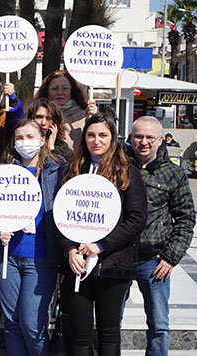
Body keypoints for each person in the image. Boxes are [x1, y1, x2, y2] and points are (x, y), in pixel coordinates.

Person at [57, 113, 147, 356]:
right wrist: (69, 249)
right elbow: (59, 216)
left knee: (108, 332)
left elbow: (136, 219)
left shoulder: (127, 172)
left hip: (112, 265)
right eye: (91, 135)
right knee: (79, 332)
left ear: (113, 138)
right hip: (78, 266)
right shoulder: (72, 170)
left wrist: (101, 244)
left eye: (103, 135)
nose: (97, 140)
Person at [0, 119, 65, 356]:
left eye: (31, 137)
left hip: (41, 258)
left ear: (43, 140)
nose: (24, 142)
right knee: (11, 323)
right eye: (20, 138)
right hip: (7, 257)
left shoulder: (57, 170)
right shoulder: (3, 172)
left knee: (33, 325)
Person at [127, 117, 195, 356]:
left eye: (149, 138)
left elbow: (185, 219)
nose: (143, 142)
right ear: (130, 138)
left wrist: (170, 257)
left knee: (158, 324)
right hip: (119, 257)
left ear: (159, 140)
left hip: (153, 261)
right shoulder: (117, 166)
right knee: (110, 321)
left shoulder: (173, 174)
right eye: (138, 136)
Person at [34, 70, 96, 149]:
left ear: (72, 91)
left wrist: (94, 119)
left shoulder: (84, 116)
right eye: (54, 88)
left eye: (65, 88)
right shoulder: (37, 115)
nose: (60, 92)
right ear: (46, 91)